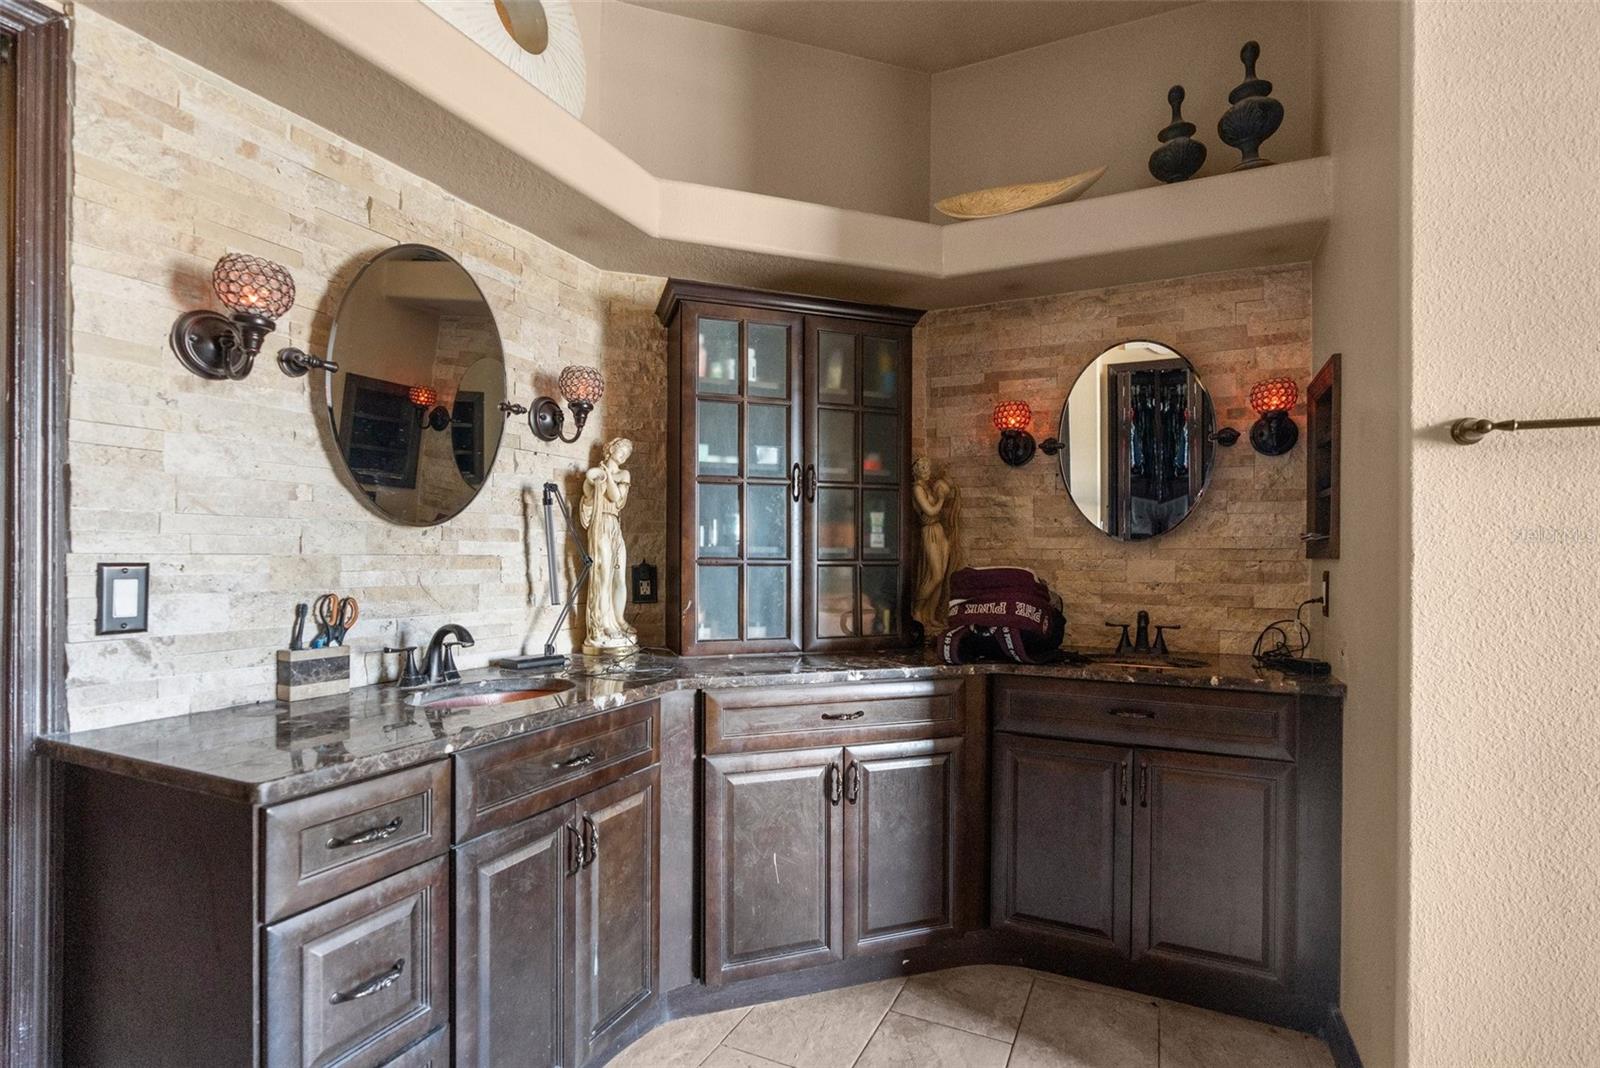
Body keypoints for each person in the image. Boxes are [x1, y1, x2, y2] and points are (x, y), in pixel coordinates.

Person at [579, 437, 638, 654]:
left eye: (626, 453)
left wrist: (605, 477)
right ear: (610, 449)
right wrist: (593, 485)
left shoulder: (623, 475)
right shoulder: (595, 474)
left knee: (619, 575)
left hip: (614, 524)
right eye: (620, 449)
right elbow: (586, 500)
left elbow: (616, 498)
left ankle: (619, 619)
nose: (623, 455)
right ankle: (603, 624)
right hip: (600, 525)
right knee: (602, 576)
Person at [911, 456, 961, 636]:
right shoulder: (917, 488)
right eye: (923, 468)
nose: (927, 471)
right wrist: (940, 498)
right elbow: (930, 510)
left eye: (927, 467)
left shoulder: (926, 486)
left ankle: (930, 616)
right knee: (936, 574)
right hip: (929, 531)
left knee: (943, 573)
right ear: (916, 471)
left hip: (938, 529)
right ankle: (917, 610)